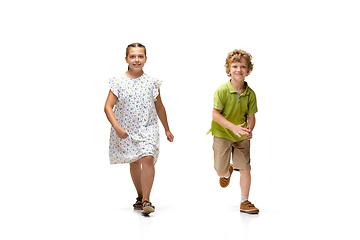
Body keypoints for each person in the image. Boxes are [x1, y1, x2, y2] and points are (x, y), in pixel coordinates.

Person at [104, 43, 174, 215]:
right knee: (134, 162)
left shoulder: (152, 82)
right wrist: (117, 127)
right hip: (126, 130)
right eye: (133, 56)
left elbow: (159, 107)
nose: (137, 60)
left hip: (147, 128)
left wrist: (167, 129)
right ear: (126, 59)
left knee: (148, 158)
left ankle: (146, 200)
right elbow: (107, 107)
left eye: (140, 56)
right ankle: (140, 196)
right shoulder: (118, 82)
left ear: (146, 59)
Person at [207, 49, 259, 214]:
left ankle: (245, 201)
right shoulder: (222, 90)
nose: (239, 70)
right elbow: (215, 114)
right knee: (220, 171)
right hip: (222, 134)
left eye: (243, 66)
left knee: (245, 168)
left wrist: (248, 129)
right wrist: (233, 127)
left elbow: (251, 116)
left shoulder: (250, 94)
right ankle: (227, 171)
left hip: (241, 136)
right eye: (235, 66)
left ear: (248, 70)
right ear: (229, 69)